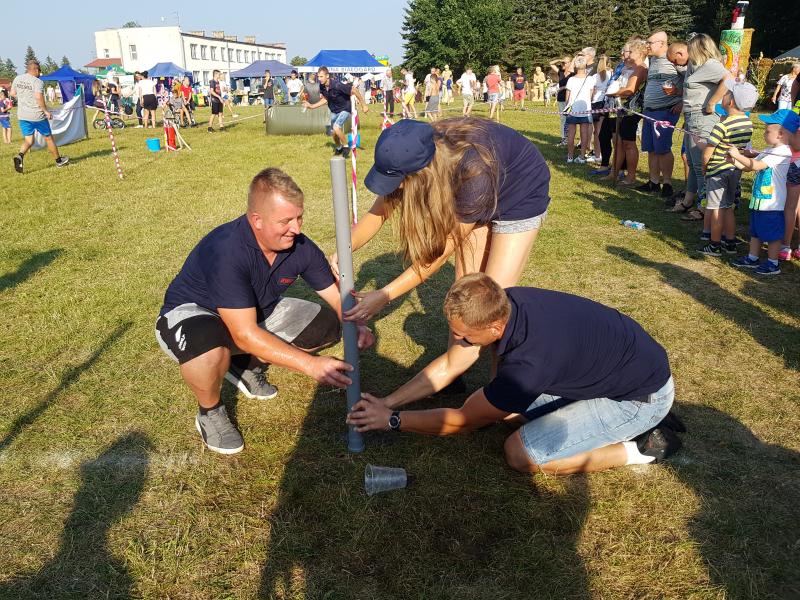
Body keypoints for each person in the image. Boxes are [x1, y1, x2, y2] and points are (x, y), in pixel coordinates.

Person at [347, 273, 680, 475]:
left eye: (465, 337)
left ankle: (640, 448)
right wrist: (387, 402)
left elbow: (465, 421)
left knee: (520, 455)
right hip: (623, 370)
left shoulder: (528, 366)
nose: (459, 342)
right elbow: (451, 364)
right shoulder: (509, 301)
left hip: (638, 398)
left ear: (494, 326)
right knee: (510, 413)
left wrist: (393, 420)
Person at [155, 168, 375, 454]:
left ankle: (243, 365)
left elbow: (337, 298)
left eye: (299, 217)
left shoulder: (300, 246)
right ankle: (210, 412)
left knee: (328, 326)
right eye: (285, 221)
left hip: (254, 313)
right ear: (256, 220)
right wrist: (310, 365)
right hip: (194, 316)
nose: (296, 228)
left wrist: (355, 322)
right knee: (211, 351)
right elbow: (244, 334)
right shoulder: (226, 251)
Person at [332, 117, 550, 387]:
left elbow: (436, 257)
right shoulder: (411, 149)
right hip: (479, 186)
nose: (396, 188)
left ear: (421, 174)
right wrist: (345, 248)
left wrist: (385, 295)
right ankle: (454, 370)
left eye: (399, 182)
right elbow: (379, 212)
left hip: (520, 190)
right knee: (465, 289)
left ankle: (500, 383)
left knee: (493, 296)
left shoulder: (474, 170)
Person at [668, 35, 731, 222]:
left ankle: (704, 207)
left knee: (701, 164)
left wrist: (712, 102)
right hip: (692, 117)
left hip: (702, 118)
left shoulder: (711, 64)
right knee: (692, 162)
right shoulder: (697, 65)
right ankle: (689, 200)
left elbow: (729, 79)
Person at [727, 110, 798, 275]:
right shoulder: (769, 150)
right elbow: (748, 166)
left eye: (767, 131)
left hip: (772, 203)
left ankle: (773, 263)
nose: (764, 133)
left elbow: (757, 166)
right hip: (759, 200)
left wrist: (738, 155)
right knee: (756, 231)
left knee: (772, 235)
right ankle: (753, 258)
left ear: (780, 134)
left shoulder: (782, 152)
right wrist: (735, 160)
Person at [698, 83, 757, 257]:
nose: (724, 95)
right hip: (734, 169)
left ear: (730, 102)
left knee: (716, 207)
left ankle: (715, 244)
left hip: (717, 171)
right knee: (729, 206)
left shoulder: (721, 125)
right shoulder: (748, 123)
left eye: (727, 93)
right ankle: (730, 242)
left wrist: (704, 167)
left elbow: (708, 152)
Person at [638, 31, 685, 198]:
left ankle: (667, 183)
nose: (647, 46)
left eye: (650, 43)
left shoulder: (674, 60)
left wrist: (682, 101)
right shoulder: (653, 60)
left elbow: (691, 82)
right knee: (650, 148)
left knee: (663, 148)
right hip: (650, 111)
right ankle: (653, 181)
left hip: (666, 111)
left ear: (662, 43)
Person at [10, 59, 69, 174]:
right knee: (48, 138)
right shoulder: (37, 82)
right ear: (36, 70)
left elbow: (12, 94)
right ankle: (58, 161)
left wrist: (24, 99)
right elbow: (38, 97)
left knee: (29, 140)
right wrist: (46, 111)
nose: (40, 73)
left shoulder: (18, 78)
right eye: (39, 70)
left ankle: (20, 156)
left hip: (23, 115)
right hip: (37, 116)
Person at [604, 38, 648, 186]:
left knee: (628, 143)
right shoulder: (622, 67)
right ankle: (614, 172)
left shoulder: (641, 68)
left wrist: (613, 93)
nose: (626, 54)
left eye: (630, 51)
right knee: (618, 142)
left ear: (640, 52)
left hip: (631, 109)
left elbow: (630, 90)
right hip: (617, 108)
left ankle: (631, 176)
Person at [302, 66, 368, 158]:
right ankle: (339, 147)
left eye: (321, 76)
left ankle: (345, 146)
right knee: (333, 132)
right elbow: (325, 99)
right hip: (334, 110)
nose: (319, 79)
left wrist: (363, 105)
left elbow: (354, 90)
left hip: (345, 108)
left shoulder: (337, 85)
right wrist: (312, 106)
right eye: (318, 77)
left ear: (327, 76)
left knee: (336, 127)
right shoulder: (322, 86)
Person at [564, 56, 595, 164]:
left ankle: (570, 156)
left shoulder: (571, 80)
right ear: (585, 65)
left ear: (576, 66)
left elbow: (567, 97)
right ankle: (582, 157)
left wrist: (567, 106)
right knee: (584, 134)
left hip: (573, 110)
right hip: (585, 109)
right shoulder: (590, 79)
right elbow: (591, 96)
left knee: (571, 133)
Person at [588, 55, 612, 164]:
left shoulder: (595, 77)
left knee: (596, 131)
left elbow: (592, 92)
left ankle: (597, 155)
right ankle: (603, 153)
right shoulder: (612, 74)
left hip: (596, 103)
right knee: (604, 131)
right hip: (607, 102)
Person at [551, 56, 573, 145]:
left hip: (570, 99)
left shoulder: (573, 73)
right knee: (563, 119)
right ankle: (564, 138)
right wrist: (559, 60)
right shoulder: (560, 72)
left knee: (571, 119)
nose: (562, 64)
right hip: (561, 98)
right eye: (562, 63)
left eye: (565, 63)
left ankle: (570, 138)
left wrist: (564, 87)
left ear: (570, 63)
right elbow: (551, 64)